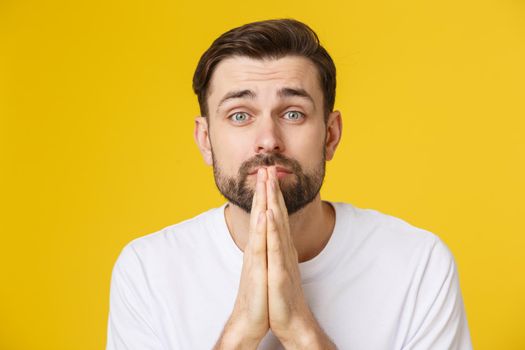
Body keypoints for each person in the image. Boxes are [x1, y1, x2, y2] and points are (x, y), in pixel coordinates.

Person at [106, 19, 472, 349]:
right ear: (205, 140)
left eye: (293, 113)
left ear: (330, 134)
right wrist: (242, 330)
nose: (268, 139)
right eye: (239, 115)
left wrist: (299, 328)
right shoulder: (147, 270)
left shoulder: (418, 264)